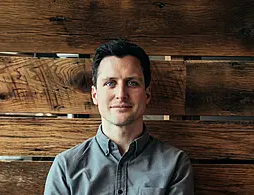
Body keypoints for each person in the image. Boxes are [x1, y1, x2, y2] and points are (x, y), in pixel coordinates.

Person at [44, 39, 194, 195]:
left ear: (147, 94)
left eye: (132, 83)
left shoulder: (175, 164)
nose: (121, 95)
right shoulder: (66, 167)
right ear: (95, 95)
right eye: (110, 83)